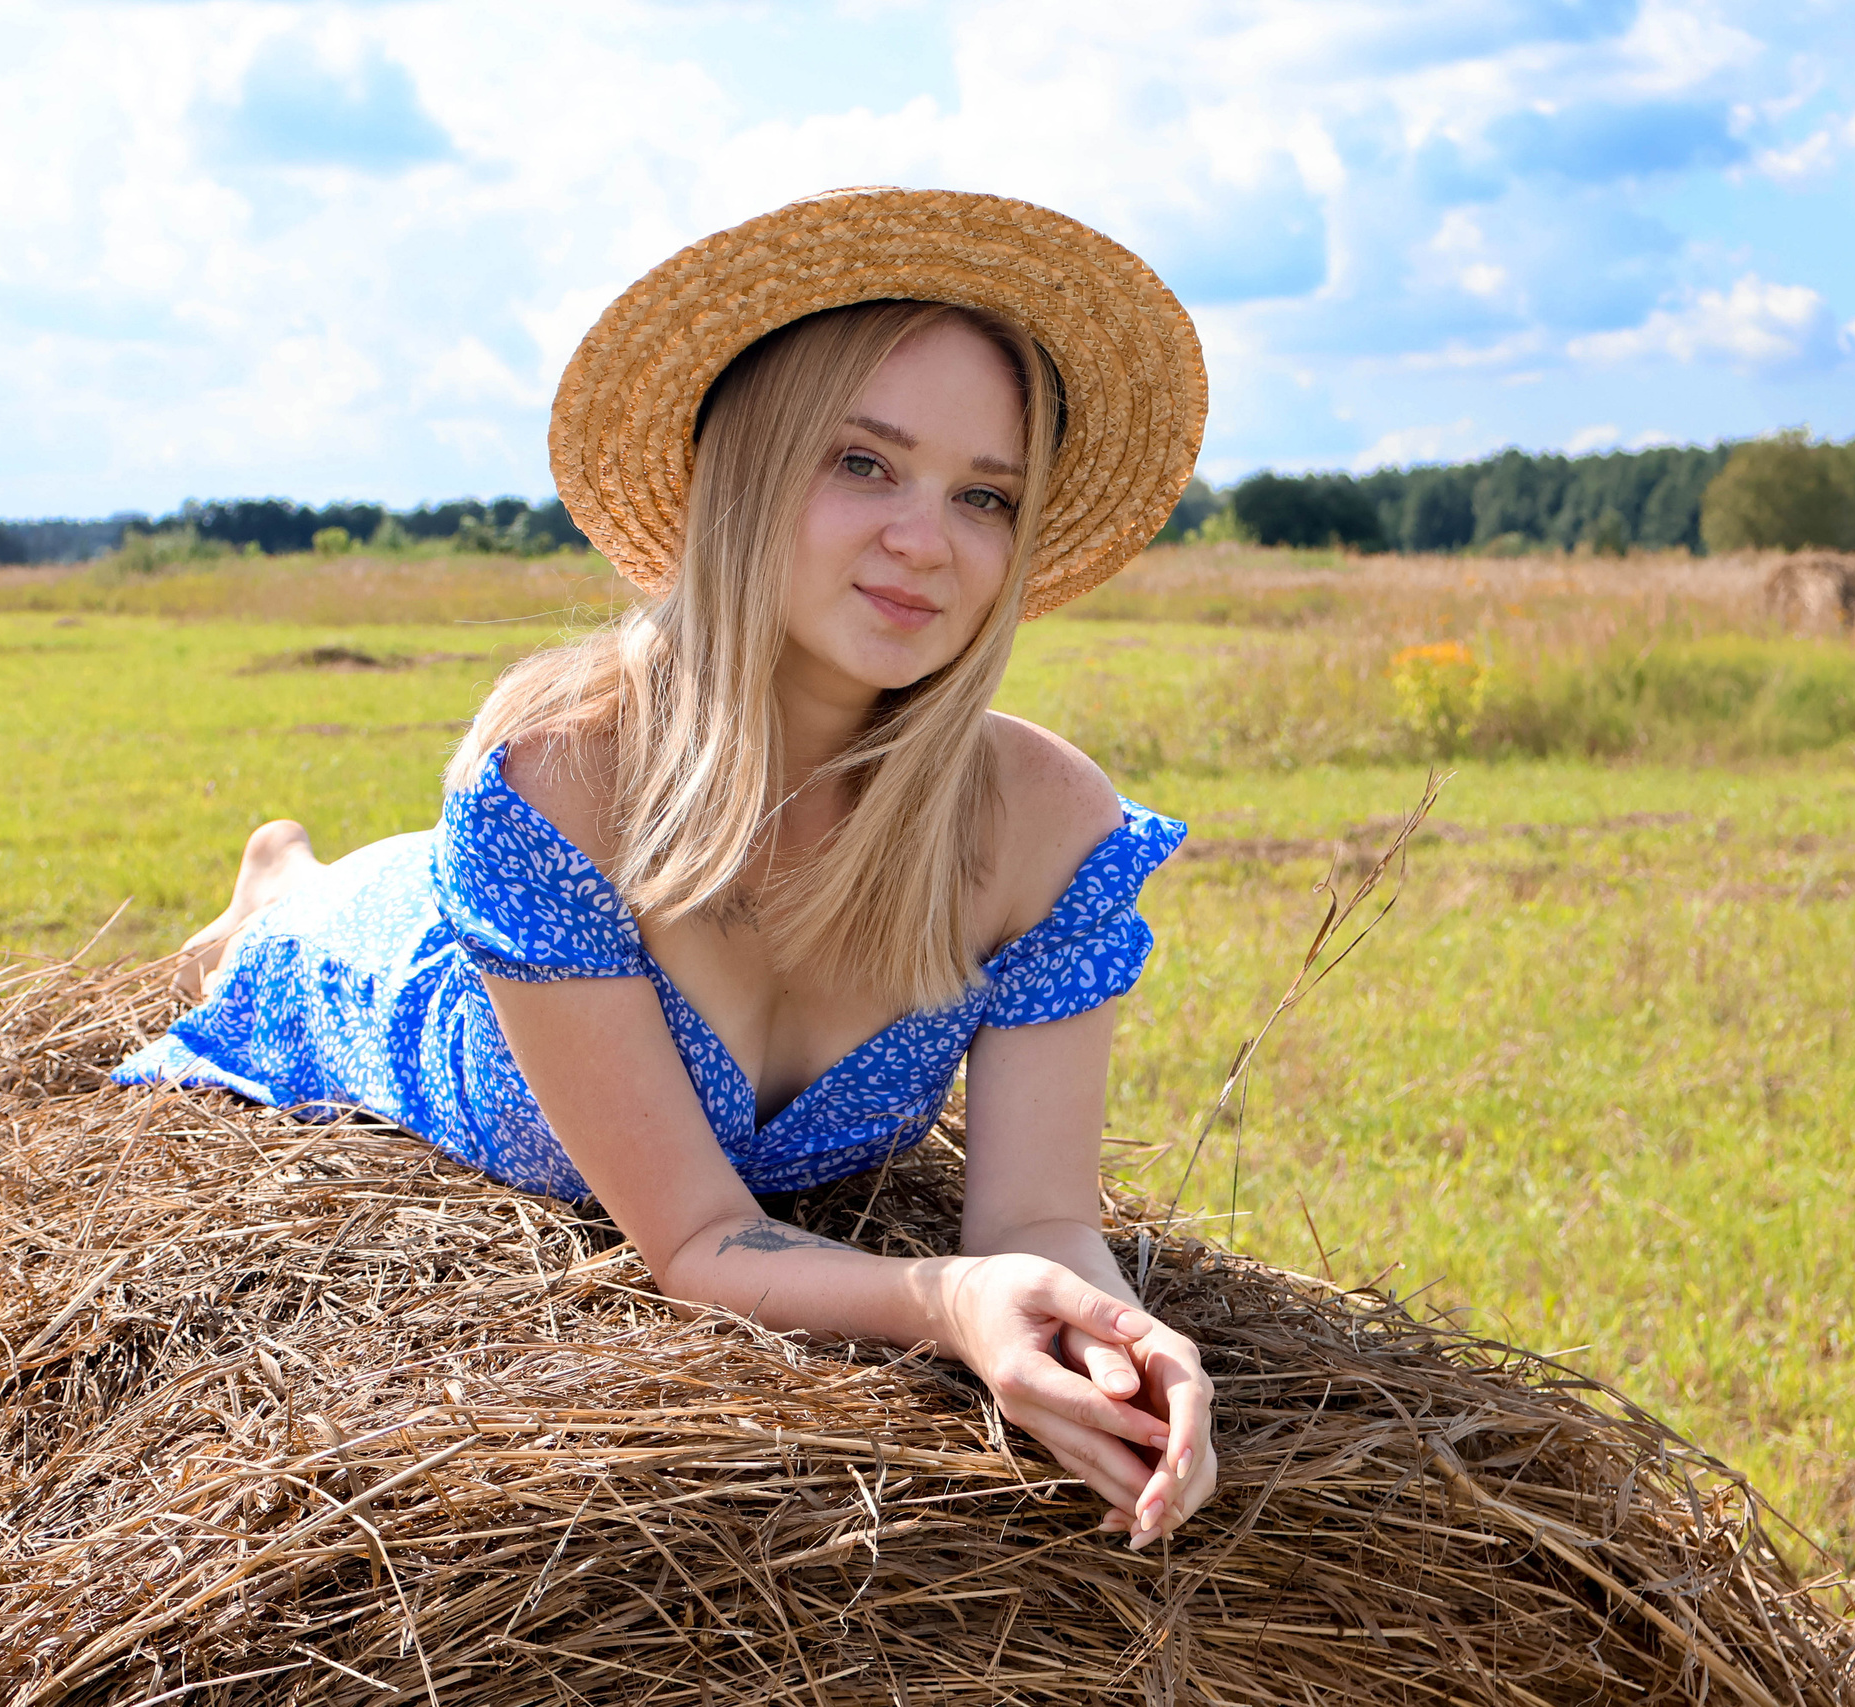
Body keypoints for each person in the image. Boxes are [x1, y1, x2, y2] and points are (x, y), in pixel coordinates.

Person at [118, 188, 1218, 1548]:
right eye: (862, 463)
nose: (924, 541)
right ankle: (279, 883)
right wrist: (948, 1304)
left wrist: (1110, 1345)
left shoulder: (1047, 825)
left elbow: (1041, 1217)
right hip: (401, 971)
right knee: (304, 921)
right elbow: (697, 1242)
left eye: (983, 495)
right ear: (745, 469)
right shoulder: (557, 778)